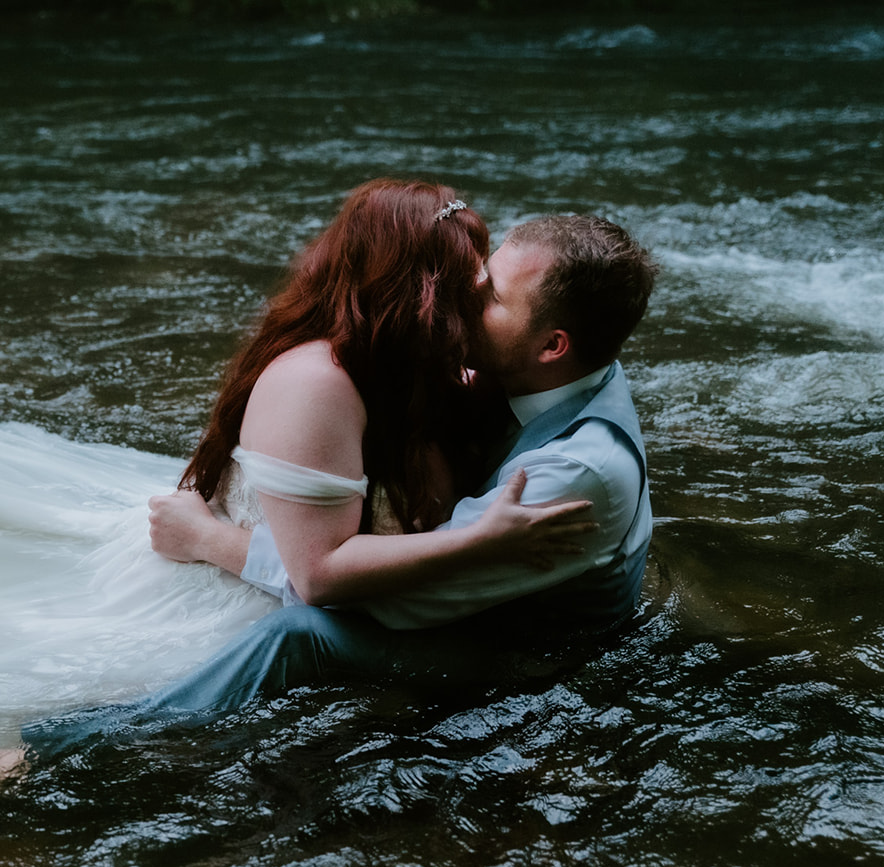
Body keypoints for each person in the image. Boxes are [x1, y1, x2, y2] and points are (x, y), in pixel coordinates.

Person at [0, 180, 598, 814]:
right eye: (464, 281)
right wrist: (482, 540)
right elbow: (317, 578)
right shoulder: (316, 382)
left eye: (486, 287)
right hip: (252, 589)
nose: (473, 296)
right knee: (155, 728)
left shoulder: (433, 358)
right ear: (412, 293)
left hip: (312, 583)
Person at [130, 213, 657, 713]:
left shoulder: (578, 471)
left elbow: (396, 602)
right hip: (481, 604)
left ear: (552, 346)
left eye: (492, 295)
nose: (467, 292)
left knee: (297, 637)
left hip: (516, 660)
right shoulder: (546, 371)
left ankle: (113, 739)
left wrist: (211, 541)